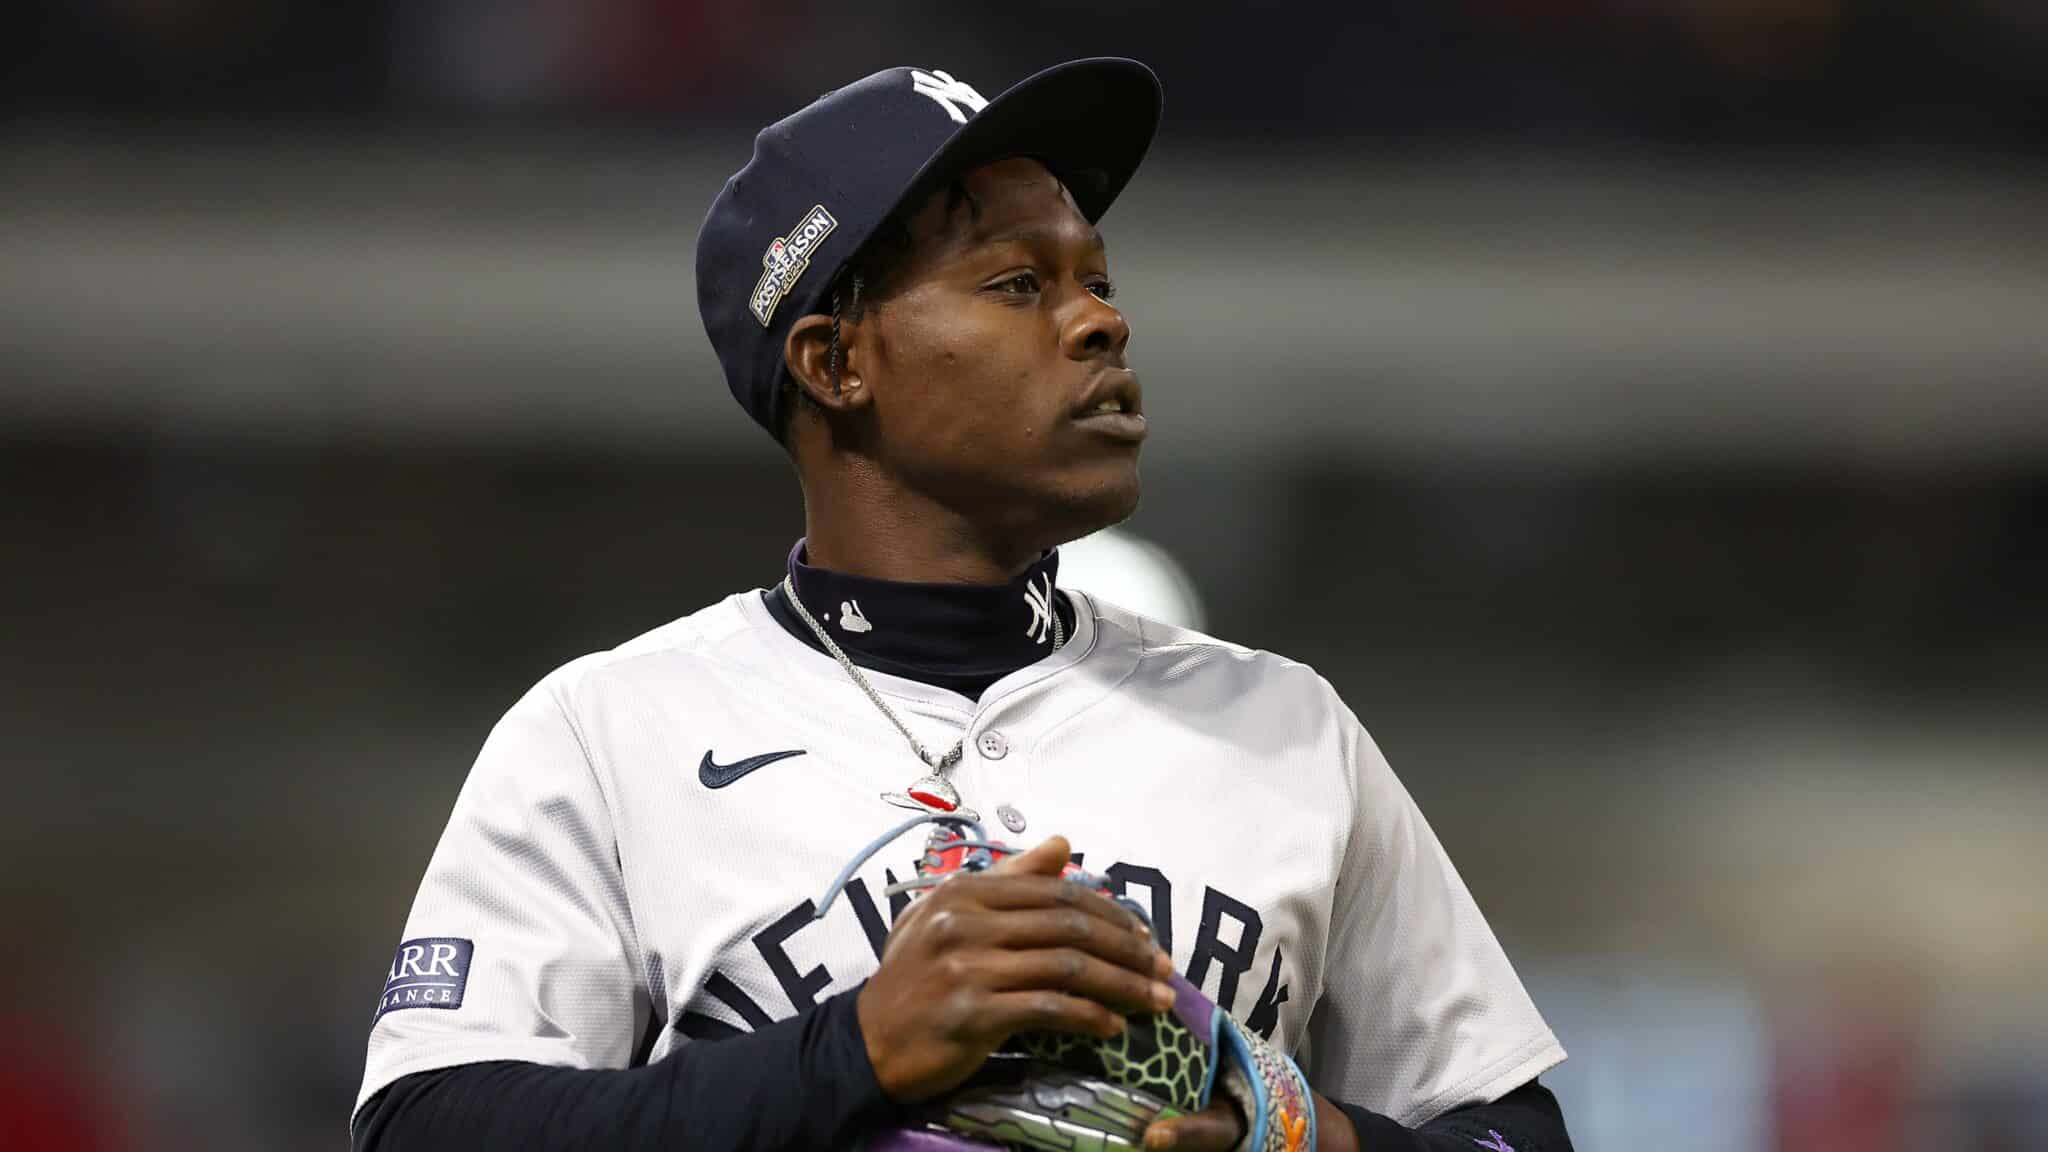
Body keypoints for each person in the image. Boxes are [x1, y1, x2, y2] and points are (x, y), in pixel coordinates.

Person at [350, 59, 1575, 1152]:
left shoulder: (1283, 725)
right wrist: (849, 1055)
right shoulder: (610, 733)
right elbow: (430, 1125)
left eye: (1093, 276)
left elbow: (1512, 1132)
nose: (1101, 319)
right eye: (1014, 282)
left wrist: (1305, 1138)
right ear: (835, 362)